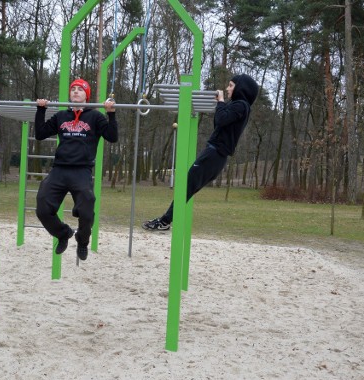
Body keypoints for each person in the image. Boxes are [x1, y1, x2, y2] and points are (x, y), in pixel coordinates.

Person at [142, 73, 259, 231]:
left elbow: (220, 119)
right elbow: (220, 123)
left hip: (215, 154)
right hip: (216, 155)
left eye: (231, 85)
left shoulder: (241, 105)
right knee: (187, 188)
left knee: (185, 187)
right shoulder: (240, 106)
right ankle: (165, 221)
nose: (227, 88)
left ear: (241, 88)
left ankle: (164, 221)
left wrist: (221, 102)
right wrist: (221, 104)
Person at [35, 78, 118, 261]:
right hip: (60, 169)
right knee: (42, 206)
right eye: (73, 89)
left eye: (80, 89)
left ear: (86, 96)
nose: (76, 92)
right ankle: (63, 233)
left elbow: (112, 137)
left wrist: (111, 114)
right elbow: (40, 134)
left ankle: (82, 241)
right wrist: (41, 110)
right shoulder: (61, 116)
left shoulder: (95, 116)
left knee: (87, 209)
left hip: (81, 171)